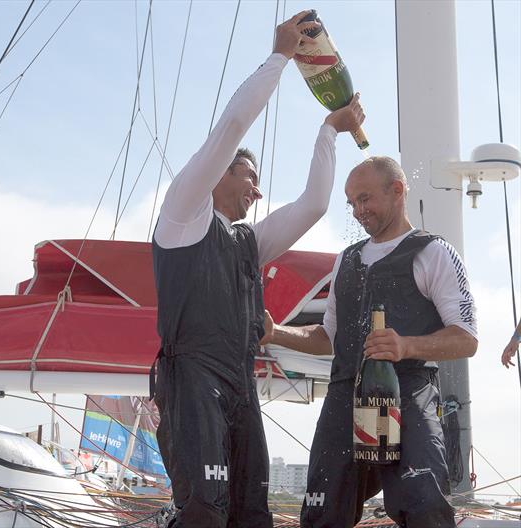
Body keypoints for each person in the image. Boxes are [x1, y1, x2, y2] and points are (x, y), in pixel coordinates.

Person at [150, 10, 365, 527]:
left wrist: (329, 131)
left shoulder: (250, 241)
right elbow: (231, 128)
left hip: (239, 380)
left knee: (251, 513)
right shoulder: (183, 213)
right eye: (250, 175)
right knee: (204, 506)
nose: (258, 188)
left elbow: (314, 204)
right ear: (219, 172)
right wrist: (279, 57)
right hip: (192, 377)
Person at [262, 156, 478, 528]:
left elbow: (466, 338)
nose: (358, 211)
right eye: (351, 203)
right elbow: (326, 336)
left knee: (425, 504)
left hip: (409, 392)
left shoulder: (434, 252)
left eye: (365, 199)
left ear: (397, 190)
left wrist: (406, 346)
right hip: (345, 393)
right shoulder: (344, 260)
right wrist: (276, 332)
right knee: (322, 509)